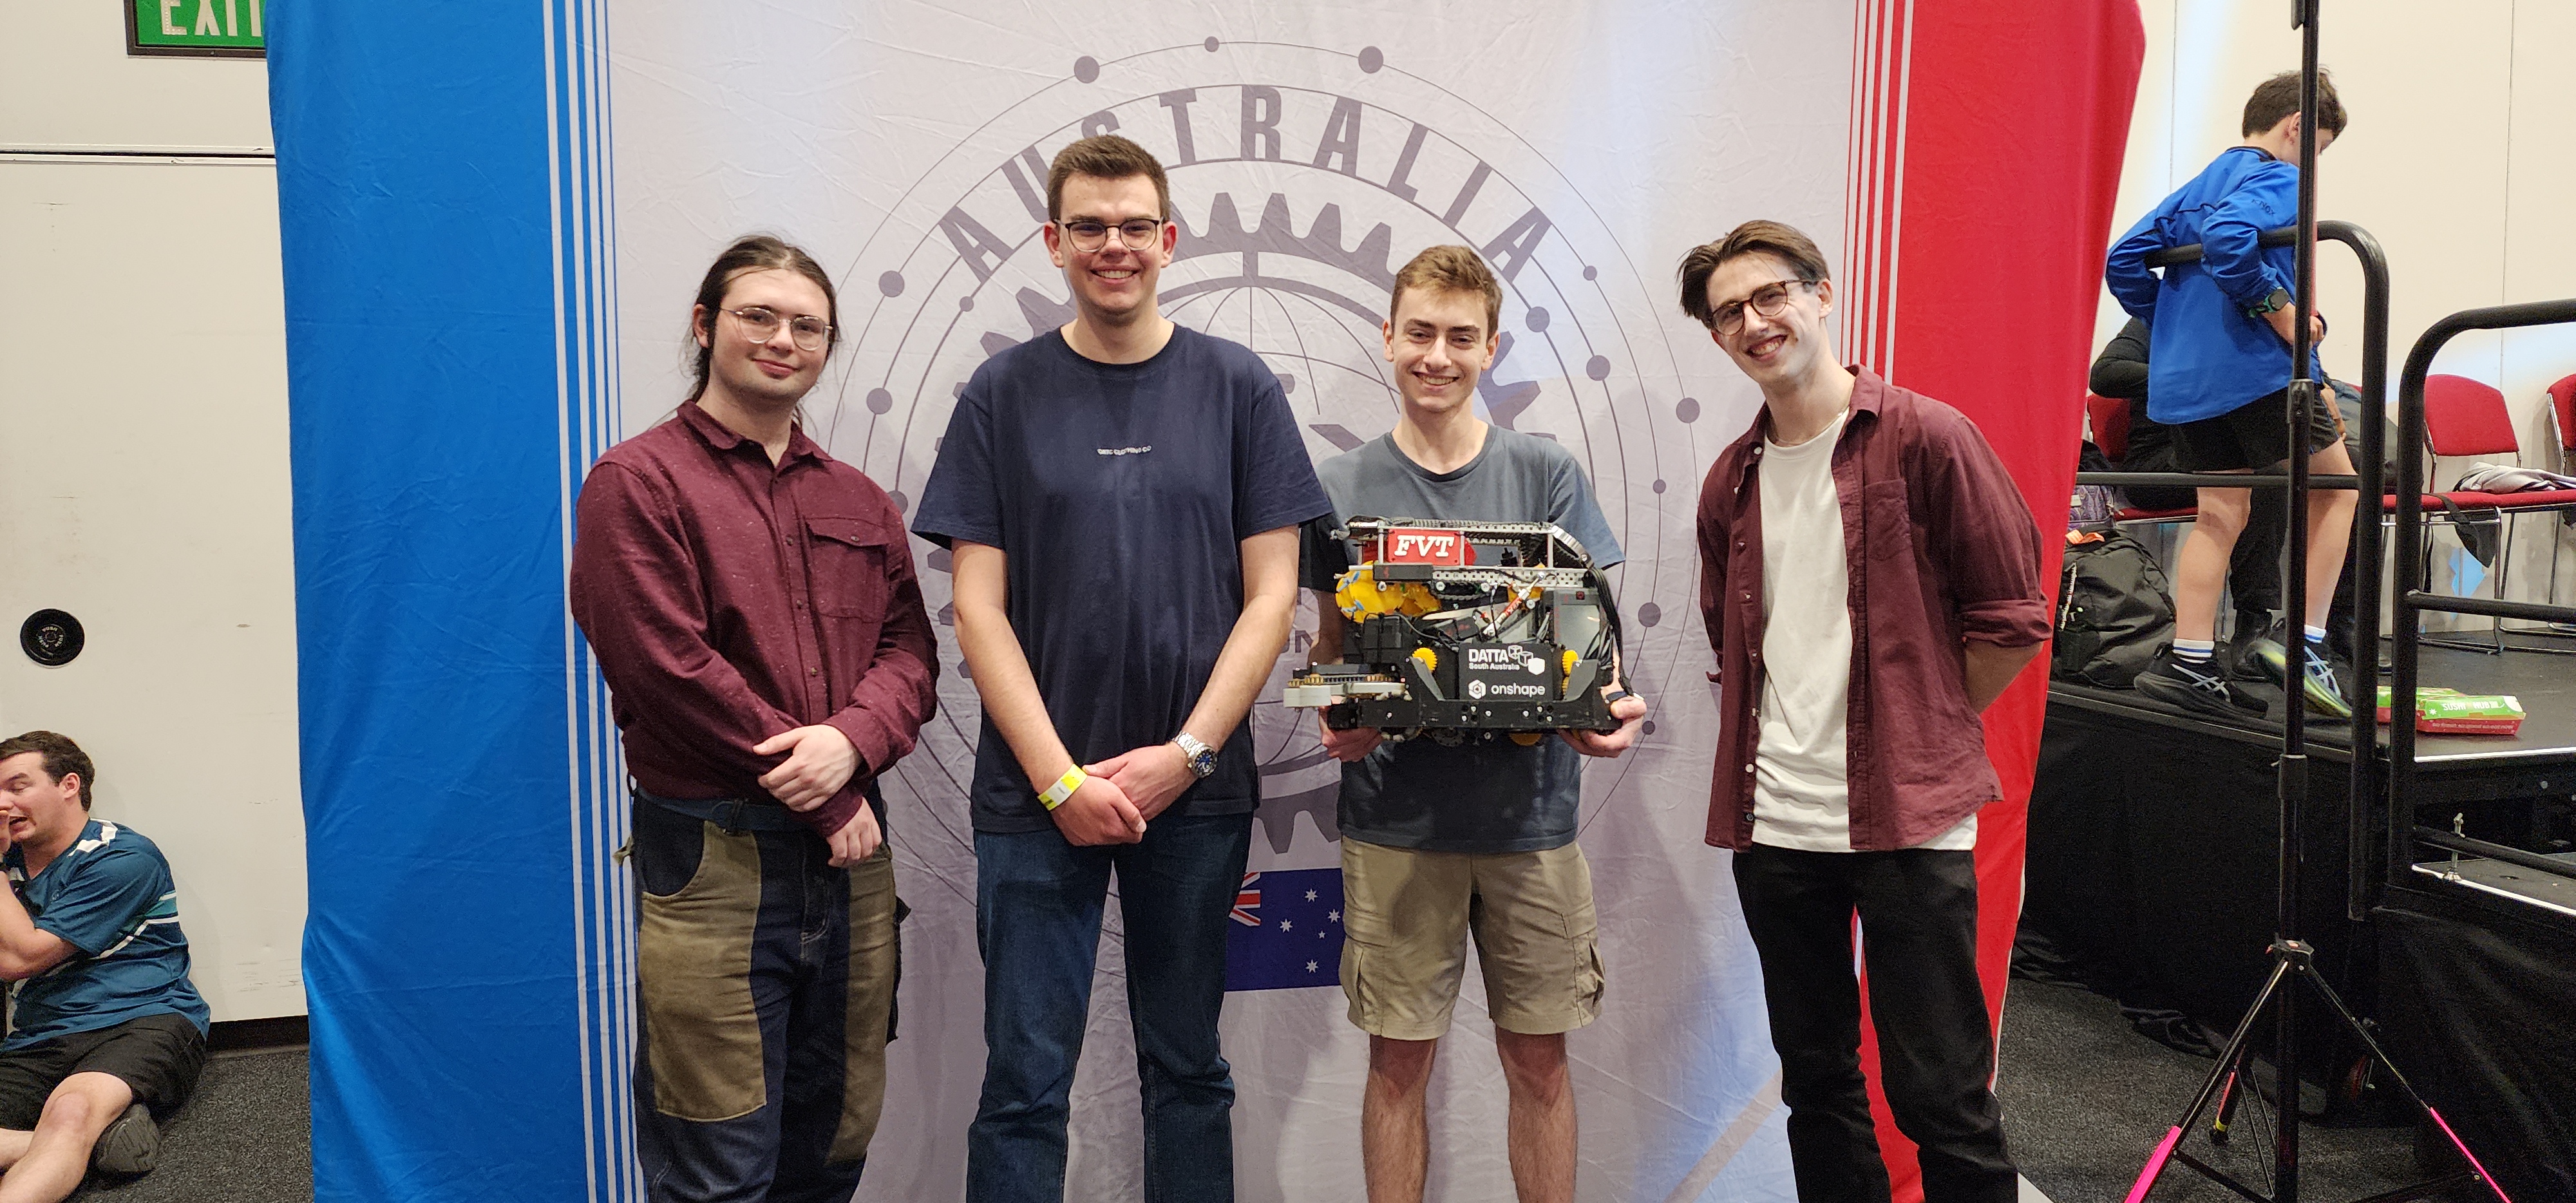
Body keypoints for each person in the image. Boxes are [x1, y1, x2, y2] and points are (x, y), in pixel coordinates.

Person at [911, 134, 1331, 1202]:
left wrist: (1186, 755)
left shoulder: (1237, 388)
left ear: (1169, 238)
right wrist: (1060, 778)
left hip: (1193, 798)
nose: (1114, 244)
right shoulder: (1000, 394)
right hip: (1031, 797)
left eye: (1134, 224)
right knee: (1023, 1080)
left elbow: (1274, 596)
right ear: (1053, 241)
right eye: (1090, 226)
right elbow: (977, 608)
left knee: (1189, 1069)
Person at [568, 234, 939, 1202]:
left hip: (856, 869)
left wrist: (852, 740)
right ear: (705, 327)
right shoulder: (637, 482)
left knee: (833, 1139)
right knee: (718, 1160)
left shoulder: (859, 500)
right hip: (716, 861)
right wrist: (822, 792)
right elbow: (664, 666)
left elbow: (911, 655)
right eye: (757, 317)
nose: (783, 339)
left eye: (805, 325)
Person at [1682, 220, 2047, 1202]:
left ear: (1822, 294)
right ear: (1718, 341)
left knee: (1941, 1094)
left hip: (1910, 821)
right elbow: (1733, 643)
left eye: (1770, 297)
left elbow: (2013, 619)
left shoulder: (1929, 436)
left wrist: (1918, 727)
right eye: (1729, 315)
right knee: (1819, 1085)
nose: (1755, 323)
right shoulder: (1731, 479)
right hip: (1777, 826)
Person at [1300, 246, 1649, 1203]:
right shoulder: (1339, 485)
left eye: (1460, 337)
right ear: (1388, 337)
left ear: (1491, 348)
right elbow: (1331, 648)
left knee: (1539, 1066)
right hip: (1395, 822)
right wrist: (1340, 711)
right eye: (1420, 333)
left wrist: (1607, 710)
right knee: (1395, 1068)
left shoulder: (1546, 473)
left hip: (1529, 821)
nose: (1438, 356)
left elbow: (1595, 644)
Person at [2107, 70, 2356, 719]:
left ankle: (2189, 660)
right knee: (2338, 493)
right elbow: (2228, 241)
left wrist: (2173, 328)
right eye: (2319, 147)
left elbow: (2124, 258)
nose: (2316, 163)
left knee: (2220, 511)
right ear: (2296, 127)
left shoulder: (2199, 183)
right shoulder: (2281, 177)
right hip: (2255, 374)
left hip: (2189, 384)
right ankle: (2302, 644)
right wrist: (2280, 312)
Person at [0, 732, 210, 1200]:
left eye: (17, 786)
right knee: (63, 1134)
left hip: (142, 1019)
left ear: (69, 785)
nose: (3, 804)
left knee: (71, 1112)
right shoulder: (7, 863)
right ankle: (93, 1147)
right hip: (41, 1033)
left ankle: (70, 1138)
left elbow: (22, 958)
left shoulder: (122, 858)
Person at [2090, 317, 2363, 674]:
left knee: (2351, 475)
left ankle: (2341, 620)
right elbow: (2107, 374)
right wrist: (2198, 376)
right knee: (2266, 474)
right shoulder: (2165, 311)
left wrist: (2321, 383)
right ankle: (2253, 623)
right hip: (2159, 459)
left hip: (2226, 441)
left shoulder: (2256, 317)